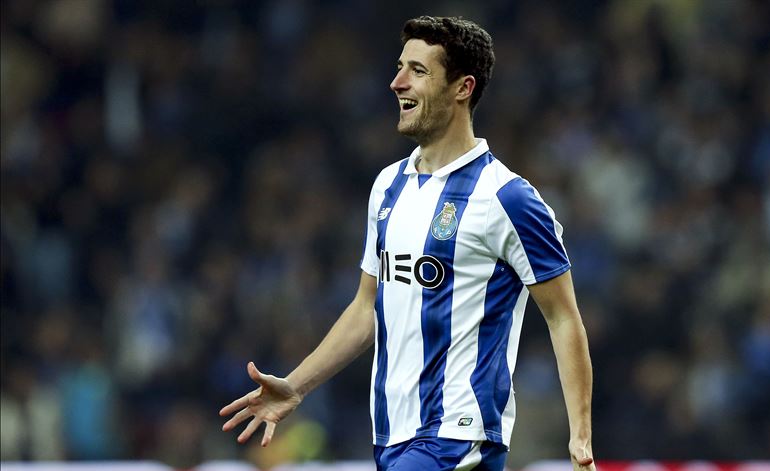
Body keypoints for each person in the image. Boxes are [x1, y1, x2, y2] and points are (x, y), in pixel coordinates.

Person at [220, 16, 595, 471]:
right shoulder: (388, 186)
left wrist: (580, 436)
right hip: (392, 434)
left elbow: (562, 317)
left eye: (418, 71)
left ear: (463, 88)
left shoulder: (506, 198)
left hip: (458, 435)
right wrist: (297, 386)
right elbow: (367, 308)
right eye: (400, 68)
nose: (397, 83)